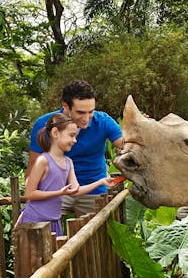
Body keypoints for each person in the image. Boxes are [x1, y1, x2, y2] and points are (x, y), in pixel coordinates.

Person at [26, 80, 123, 217]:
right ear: (65, 106)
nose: (86, 118)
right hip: (56, 191)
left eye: (91, 112)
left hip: (94, 190)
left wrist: (139, 129)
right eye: (80, 112)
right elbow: (33, 164)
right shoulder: (44, 124)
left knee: (97, 235)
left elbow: (124, 146)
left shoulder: (103, 122)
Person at [18, 114, 115, 235]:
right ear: (55, 133)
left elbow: (76, 190)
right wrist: (59, 193)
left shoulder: (69, 162)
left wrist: (101, 182)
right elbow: (29, 194)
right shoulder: (43, 161)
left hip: (54, 221)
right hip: (35, 221)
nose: (75, 140)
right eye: (71, 135)